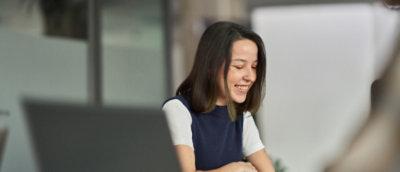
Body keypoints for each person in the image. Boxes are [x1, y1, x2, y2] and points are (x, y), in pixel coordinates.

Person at [162, 21, 275, 172]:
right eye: (239, 66)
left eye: (254, 67)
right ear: (211, 66)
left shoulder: (241, 116)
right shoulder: (177, 110)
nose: (251, 77)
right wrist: (235, 169)